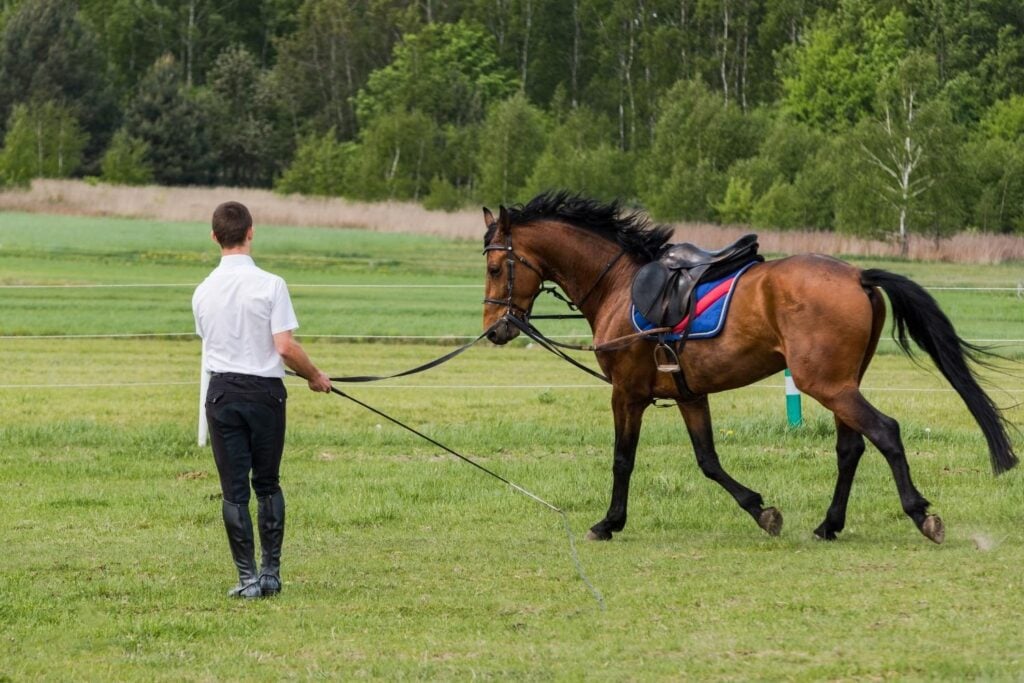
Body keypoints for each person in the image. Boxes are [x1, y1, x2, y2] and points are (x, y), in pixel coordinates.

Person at [192, 201, 332, 598]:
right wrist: (315, 375)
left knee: (234, 490)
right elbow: (284, 347)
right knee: (267, 483)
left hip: (222, 394)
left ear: (214, 237)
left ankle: (247, 578)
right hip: (265, 395)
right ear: (251, 232)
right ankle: (271, 573)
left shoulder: (202, 291)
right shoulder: (272, 285)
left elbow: (213, 342)